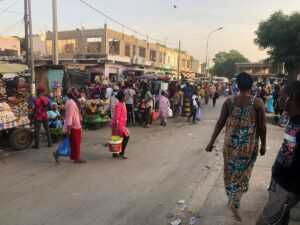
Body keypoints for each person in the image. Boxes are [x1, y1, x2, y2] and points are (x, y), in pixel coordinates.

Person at [206, 72, 267, 222]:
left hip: (230, 146)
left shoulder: (229, 102)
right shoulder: (257, 103)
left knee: (229, 172)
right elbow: (262, 127)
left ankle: (231, 197)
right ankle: (236, 199)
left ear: (237, 86)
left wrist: (211, 142)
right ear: (251, 86)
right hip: (248, 147)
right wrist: (264, 144)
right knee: (243, 173)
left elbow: (220, 123)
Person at [256, 81, 300, 225]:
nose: (277, 100)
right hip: (280, 180)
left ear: (291, 98)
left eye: (282, 97)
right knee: (281, 219)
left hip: (287, 186)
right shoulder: (293, 120)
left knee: (265, 221)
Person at [53, 88, 86, 164]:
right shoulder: (71, 102)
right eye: (76, 92)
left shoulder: (71, 101)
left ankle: (74, 157)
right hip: (73, 126)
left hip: (75, 125)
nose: (78, 93)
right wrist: (69, 127)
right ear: (73, 94)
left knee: (73, 143)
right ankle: (75, 158)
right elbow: (70, 116)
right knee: (75, 143)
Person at [111, 91, 130, 159]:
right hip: (118, 124)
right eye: (124, 96)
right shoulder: (119, 104)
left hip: (120, 124)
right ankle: (121, 153)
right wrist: (117, 125)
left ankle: (115, 153)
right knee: (125, 137)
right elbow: (117, 116)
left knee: (117, 138)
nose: (125, 97)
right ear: (122, 98)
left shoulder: (122, 103)